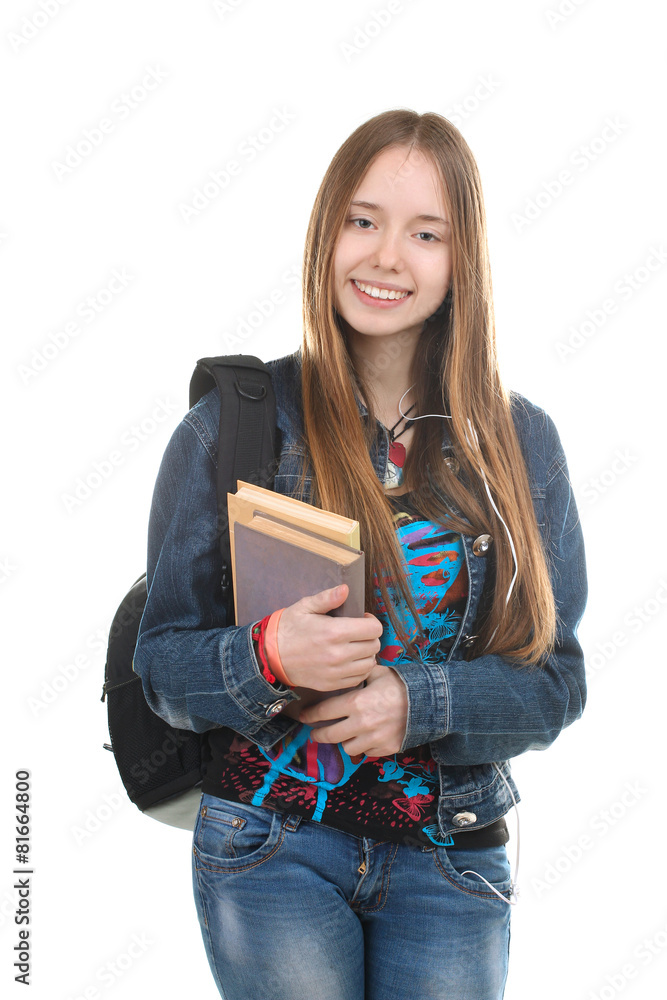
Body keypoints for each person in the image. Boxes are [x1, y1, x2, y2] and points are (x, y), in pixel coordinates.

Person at [133, 109, 588, 1000]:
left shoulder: (520, 442)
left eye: (426, 234)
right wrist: (267, 655)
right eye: (363, 220)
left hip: (451, 858)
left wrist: (418, 703)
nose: (385, 257)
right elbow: (161, 669)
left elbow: (554, 685)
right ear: (325, 231)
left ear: (462, 262)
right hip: (268, 845)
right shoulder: (233, 425)